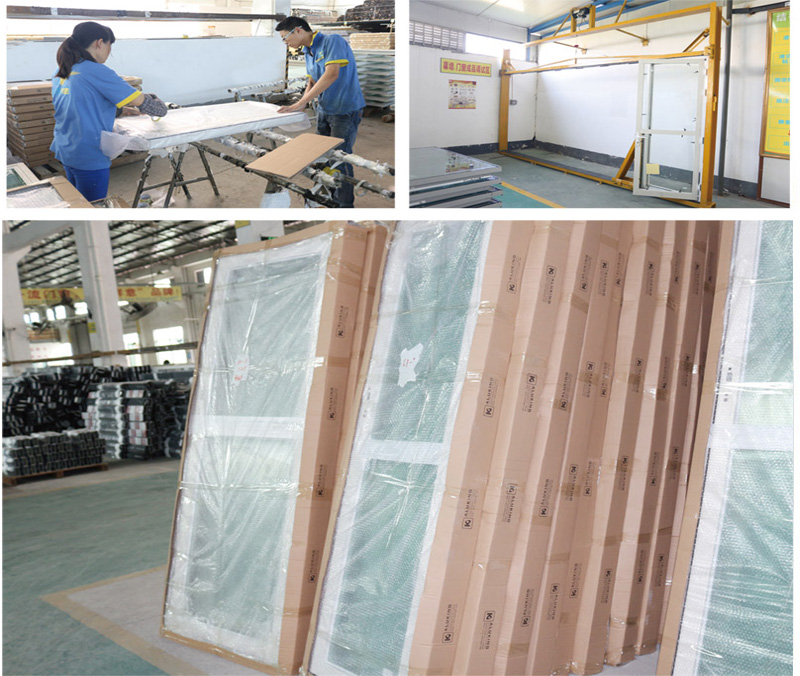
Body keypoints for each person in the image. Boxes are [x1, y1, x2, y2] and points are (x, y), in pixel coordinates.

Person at [51, 21, 169, 201]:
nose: (109, 52)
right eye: (109, 46)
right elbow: (153, 108)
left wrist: (121, 111)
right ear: (99, 43)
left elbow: (79, 105)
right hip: (89, 153)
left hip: (66, 148)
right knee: (93, 205)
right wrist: (155, 102)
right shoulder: (96, 71)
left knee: (78, 202)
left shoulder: (62, 70)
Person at [276, 17, 366, 208]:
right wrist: (302, 104)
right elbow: (312, 80)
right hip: (325, 108)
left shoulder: (332, 41)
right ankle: (330, 196)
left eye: (285, 37)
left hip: (345, 109)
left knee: (340, 158)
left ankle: (344, 205)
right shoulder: (308, 51)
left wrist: (300, 103)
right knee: (324, 155)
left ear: (298, 30)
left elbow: (332, 74)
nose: (285, 42)